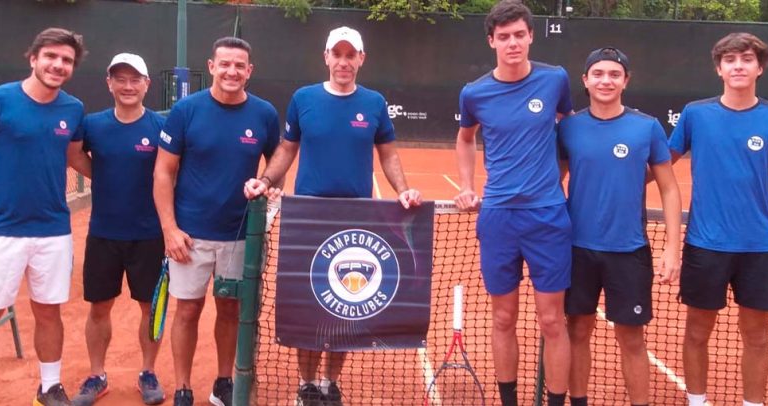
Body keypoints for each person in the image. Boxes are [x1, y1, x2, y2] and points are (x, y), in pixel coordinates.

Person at [243, 26, 422, 406]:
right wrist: (265, 180)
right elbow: (287, 149)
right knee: (309, 305)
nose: (343, 62)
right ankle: (307, 384)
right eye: (336, 54)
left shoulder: (374, 103)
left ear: (361, 59)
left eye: (350, 55)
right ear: (326, 57)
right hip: (308, 218)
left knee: (346, 303)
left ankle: (330, 383)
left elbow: (388, 154)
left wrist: (402, 190)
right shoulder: (303, 98)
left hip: (356, 219)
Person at [0, 28, 86, 406]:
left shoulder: (73, 109)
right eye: (51, 56)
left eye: (67, 60)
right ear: (33, 58)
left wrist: (127, 179)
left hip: (53, 231)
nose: (58, 65)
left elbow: (75, 157)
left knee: (49, 312)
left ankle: (50, 387)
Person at [670, 32, 768, 406]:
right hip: (705, 245)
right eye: (730, 60)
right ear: (719, 68)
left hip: (759, 248)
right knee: (697, 332)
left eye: (747, 59)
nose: (738, 66)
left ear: (760, 68)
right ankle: (696, 401)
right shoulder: (696, 113)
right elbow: (662, 167)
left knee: (757, 337)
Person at [453, 1, 573, 405]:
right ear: (492, 41)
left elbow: (570, 129)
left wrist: (556, 177)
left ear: (531, 36)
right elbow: (465, 139)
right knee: (503, 317)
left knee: (552, 320)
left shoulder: (555, 79)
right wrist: (467, 185)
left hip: (548, 217)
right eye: (504, 37)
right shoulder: (474, 93)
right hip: (499, 218)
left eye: (520, 34)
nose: (513, 43)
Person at [153, 37, 280, 406]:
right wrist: (170, 230)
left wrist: (268, 191)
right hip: (189, 236)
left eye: (239, 66)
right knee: (187, 310)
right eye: (224, 64)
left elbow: (277, 164)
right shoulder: (186, 110)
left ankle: (224, 382)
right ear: (211, 66)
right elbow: (163, 171)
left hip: (241, 236)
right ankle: (183, 386)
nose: (231, 71)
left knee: (230, 310)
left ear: (249, 71)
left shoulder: (265, 114)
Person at [556, 47, 681, 406]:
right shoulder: (568, 128)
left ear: (626, 80)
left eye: (614, 74)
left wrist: (672, 248)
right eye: (598, 74)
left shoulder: (647, 127)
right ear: (585, 80)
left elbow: (669, 188)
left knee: (632, 339)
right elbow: (552, 182)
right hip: (577, 251)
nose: (606, 81)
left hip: (629, 252)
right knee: (577, 331)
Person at [69, 53, 166, 406]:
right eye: (120, 79)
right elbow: (74, 155)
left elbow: (171, 171)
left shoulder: (160, 126)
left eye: (135, 79)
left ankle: (148, 372)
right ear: (109, 83)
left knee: (149, 308)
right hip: (103, 234)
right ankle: (97, 375)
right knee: (99, 308)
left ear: (146, 84)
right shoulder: (92, 125)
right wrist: (102, 176)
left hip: (150, 235)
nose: (127, 86)